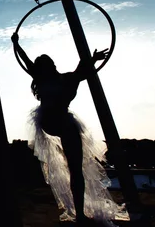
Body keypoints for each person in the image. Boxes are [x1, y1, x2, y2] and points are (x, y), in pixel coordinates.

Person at [11, 32, 128, 226]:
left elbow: (80, 70)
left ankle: (80, 211)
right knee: (74, 168)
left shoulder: (65, 79)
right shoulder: (43, 79)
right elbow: (26, 61)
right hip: (52, 121)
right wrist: (16, 44)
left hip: (61, 122)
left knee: (75, 169)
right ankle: (80, 213)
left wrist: (93, 59)